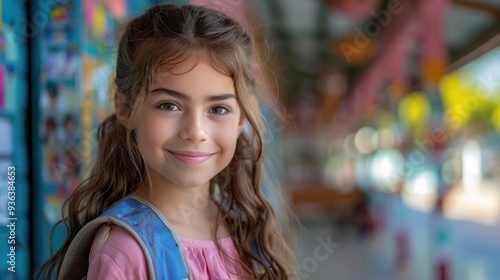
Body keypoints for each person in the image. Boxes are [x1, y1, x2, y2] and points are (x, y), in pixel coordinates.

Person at [37, 3, 294, 280]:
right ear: (124, 108)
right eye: (169, 105)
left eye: (218, 109)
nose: (196, 131)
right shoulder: (126, 252)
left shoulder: (244, 229)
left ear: (241, 118)